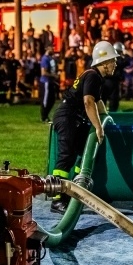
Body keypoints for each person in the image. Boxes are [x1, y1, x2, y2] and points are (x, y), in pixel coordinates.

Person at [49, 40, 118, 214]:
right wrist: (98, 127)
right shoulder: (93, 76)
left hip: (74, 118)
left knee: (83, 155)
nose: (115, 64)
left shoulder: (95, 77)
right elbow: (88, 102)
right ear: (104, 62)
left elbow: (98, 102)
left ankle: (75, 191)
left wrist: (108, 119)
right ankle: (57, 199)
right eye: (113, 60)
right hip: (68, 117)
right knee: (66, 156)